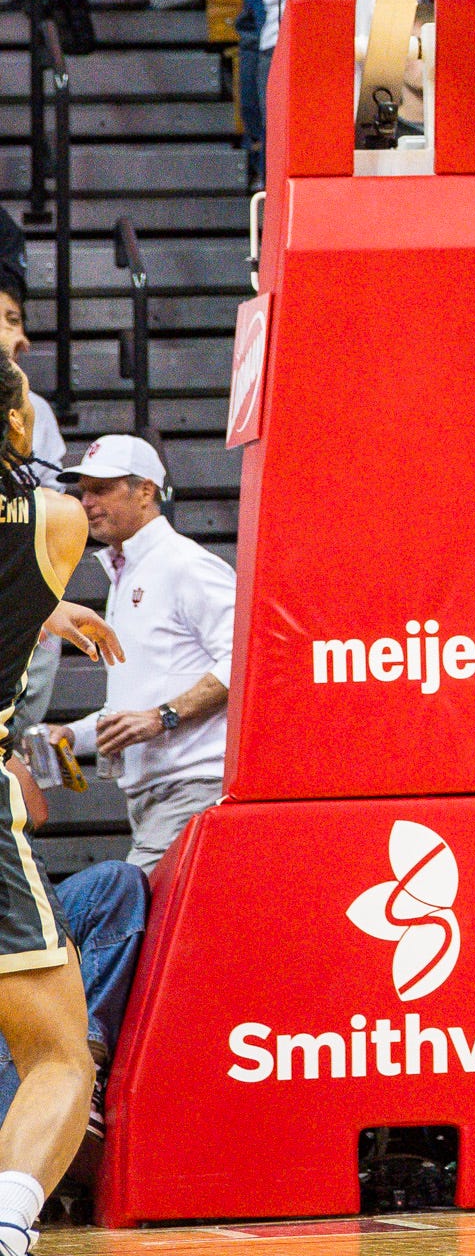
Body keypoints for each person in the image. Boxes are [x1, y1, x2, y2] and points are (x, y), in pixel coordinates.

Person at [0, 362, 123, 1255]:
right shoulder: (61, 519)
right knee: (59, 1056)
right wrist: (41, 608)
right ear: (18, 426)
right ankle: (6, 1227)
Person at [55, 433, 231, 873]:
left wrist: (163, 716)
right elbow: (134, 711)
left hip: (194, 787)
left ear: (146, 491)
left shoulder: (183, 564)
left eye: (101, 489)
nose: (87, 502)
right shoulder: (130, 569)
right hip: (158, 794)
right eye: (82, 491)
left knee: (136, 923)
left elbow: (248, 660)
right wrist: (73, 736)